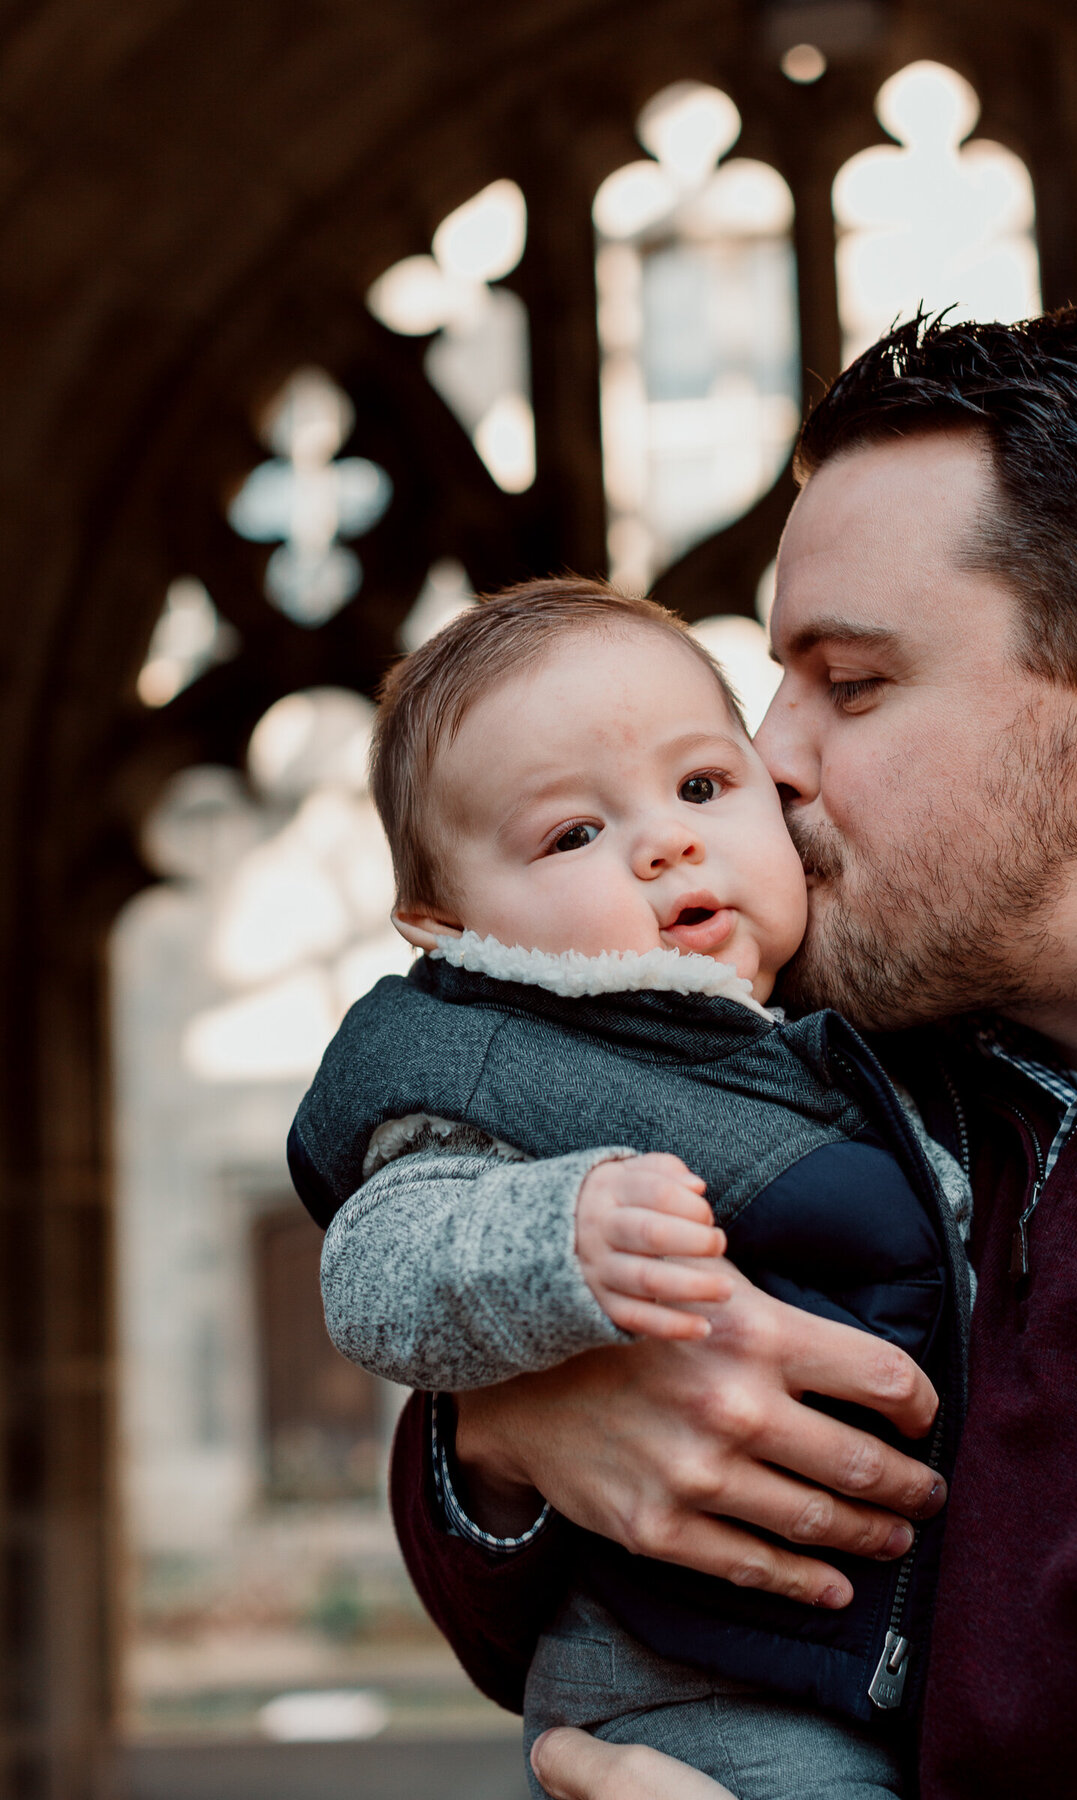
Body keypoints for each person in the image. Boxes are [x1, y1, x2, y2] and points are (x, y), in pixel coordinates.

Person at [384, 304, 1077, 1800]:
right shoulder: (860, 1057)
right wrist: (509, 1428)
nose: (764, 760)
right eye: (772, 680)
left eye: (854, 682)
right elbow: (511, 1593)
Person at [290, 578, 975, 1798]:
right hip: (691, 1688)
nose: (665, 840)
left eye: (702, 787)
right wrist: (563, 1236)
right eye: (572, 834)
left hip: (876, 1650)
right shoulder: (495, 1067)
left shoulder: (854, 1026)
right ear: (446, 926)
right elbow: (374, 1265)